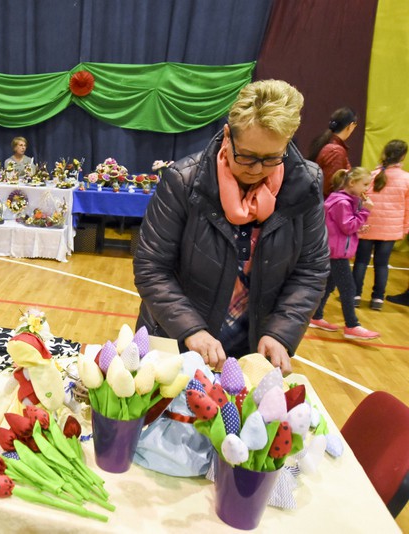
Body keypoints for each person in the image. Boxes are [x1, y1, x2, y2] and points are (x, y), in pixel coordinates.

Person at [134, 79, 329, 374]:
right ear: (228, 136)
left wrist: (280, 333)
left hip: (252, 351)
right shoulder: (184, 181)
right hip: (176, 340)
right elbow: (151, 267)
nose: (256, 169)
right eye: (247, 156)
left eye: (271, 158)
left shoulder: (306, 184)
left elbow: (311, 270)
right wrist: (191, 330)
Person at [309, 168, 379, 339]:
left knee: (329, 286)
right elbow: (348, 226)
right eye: (365, 184)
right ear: (352, 183)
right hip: (337, 253)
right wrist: (365, 212)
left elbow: (344, 227)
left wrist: (358, 224)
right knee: (348, 288)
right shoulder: (343, 203)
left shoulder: (343, 200)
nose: (367, 188)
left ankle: (316, 316)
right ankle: (352, 325)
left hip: (335, 251)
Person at [352, 140, 409, 310]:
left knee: (361, 262)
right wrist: (405, 228)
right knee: (382, 264)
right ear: (403, 156)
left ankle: (355, 295)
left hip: (368, 227)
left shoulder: (372, 176)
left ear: (384, 154)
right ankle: (378, 299)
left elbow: (361, 201)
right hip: (390, 231)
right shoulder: (407, 179)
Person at [306, 107, 358, 197]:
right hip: (328, 207)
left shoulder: (328, 144)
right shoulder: (336, 151)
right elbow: (332, 188)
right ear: (351, 125)